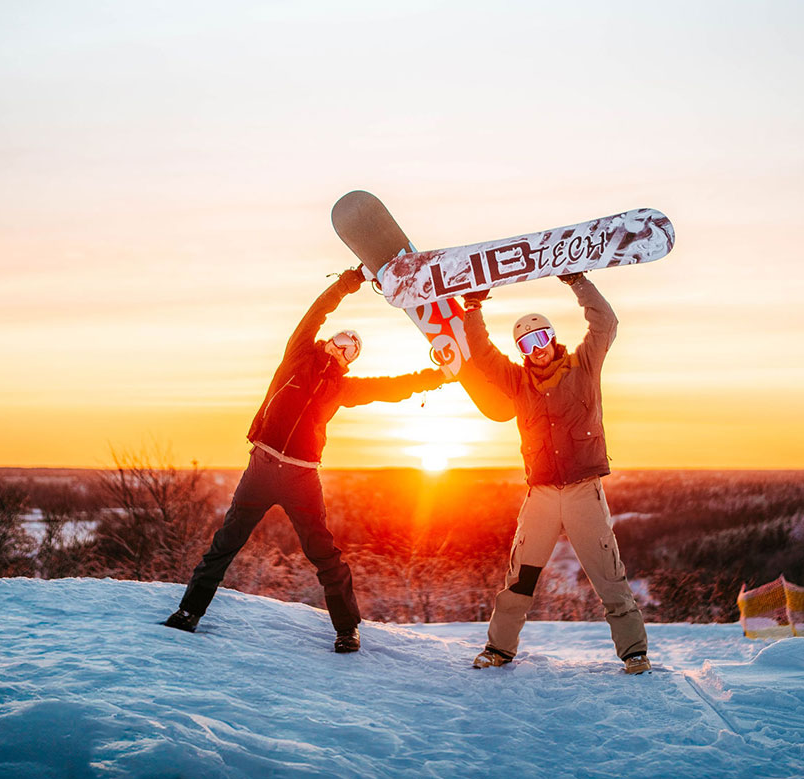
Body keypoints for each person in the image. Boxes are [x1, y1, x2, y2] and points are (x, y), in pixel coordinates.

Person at [163, 266, 444, 652]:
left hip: (302, 478)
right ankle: (189, 612)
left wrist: (436, 376)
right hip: (261, 468)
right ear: (329, 341)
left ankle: (347, 629)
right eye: (342, 340)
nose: (344, 348)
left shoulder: (342, 387)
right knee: (226, 543)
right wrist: (350, 282)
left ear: (350, 362)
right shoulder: (297, 354)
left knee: (324, 554)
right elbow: (318, 311)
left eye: (353, 350)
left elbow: (389, 388)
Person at [461, 272, 651, 674]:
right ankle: (499, 649)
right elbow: (481, 353)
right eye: (527, 343)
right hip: (542, 496)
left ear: (552, 338)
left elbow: (606, 323)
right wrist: (473, 309)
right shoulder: (517, 382)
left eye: (542, 338)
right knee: (520, 576)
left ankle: (634, 652)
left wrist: (576, 281)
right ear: (523, 351)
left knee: (607, 574)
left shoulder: (584, 365)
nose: (537, 349)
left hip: (584, 490)